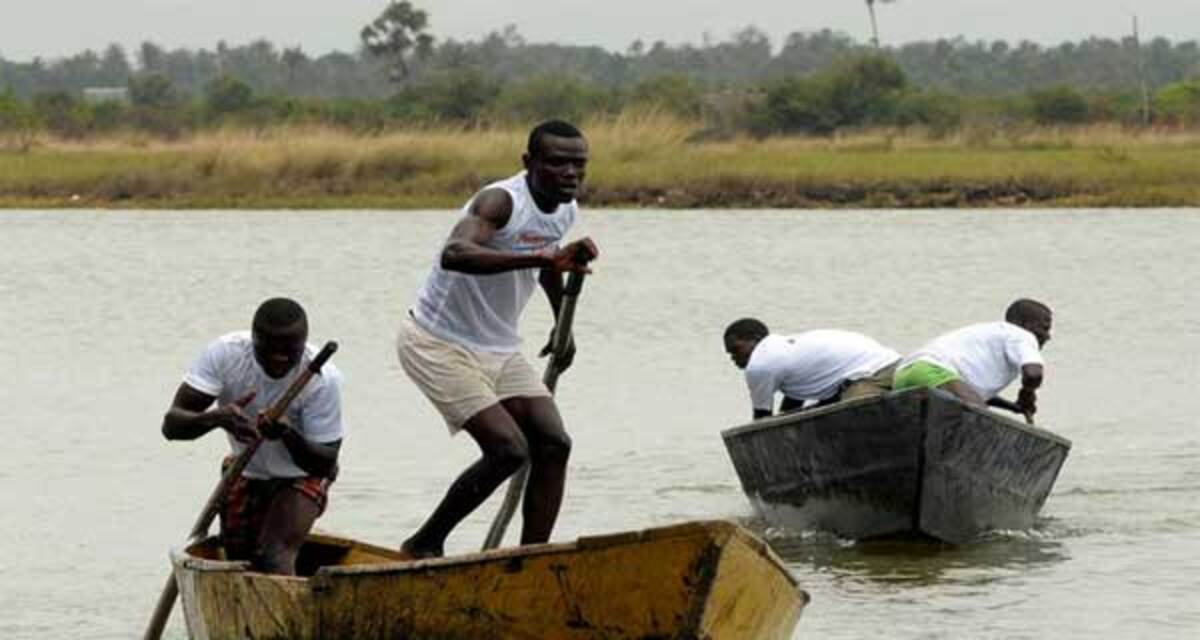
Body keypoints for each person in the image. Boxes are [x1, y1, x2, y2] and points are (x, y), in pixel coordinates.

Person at [396, 120, 599, 558]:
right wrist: (542, 255)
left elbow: (548, 261)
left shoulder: (565, 208)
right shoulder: (501, 201)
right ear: (528, 163)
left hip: (499, 347)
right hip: (437, 343)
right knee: (508, 450)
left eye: (578, 165)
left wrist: (561, 322)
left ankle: (531, 561)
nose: (570, 174)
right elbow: (456, 254)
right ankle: (424, 543)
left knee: (554, 444)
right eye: (557, 163)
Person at [161, 297, 343, 575]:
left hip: (300, 476)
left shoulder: (322, 379)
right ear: (254, 339)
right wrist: (216, 419)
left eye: (289, 350)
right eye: (269, 349)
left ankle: (289, 615)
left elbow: (325, 464)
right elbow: (172, 427)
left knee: (272, 556)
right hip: (245, 470)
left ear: (303, 343)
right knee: (239, 565)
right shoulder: (225, 355)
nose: (279, 358)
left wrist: (286, 433)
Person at [892, 298, 1052, 421]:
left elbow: (967, 392)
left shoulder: (992, 334)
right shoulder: (1021, 335)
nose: (1048, 336)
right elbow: (1033, 374)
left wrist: (1012, 407)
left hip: (904, 375)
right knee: (984, 422)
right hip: (932, 371)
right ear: (1023, 323)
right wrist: (1027, 393)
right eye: (1044, 328)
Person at [724, 318, 902, 420]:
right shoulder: (784, 350)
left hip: (873, 373)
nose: (733, 358)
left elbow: (762, 418)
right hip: (897, 366)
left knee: (849, 420)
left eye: (736, 349)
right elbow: (794, 400)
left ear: (756, 339)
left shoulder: (760, 365)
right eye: (729, 354)